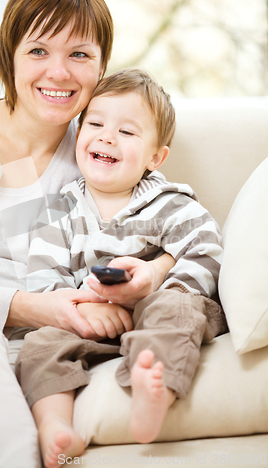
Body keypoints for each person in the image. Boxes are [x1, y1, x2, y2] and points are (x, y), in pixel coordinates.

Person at [0, 0, 175, 468]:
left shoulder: (101, 148)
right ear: (9, 55)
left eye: (80, 55)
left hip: (28, 353)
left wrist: (142, 281)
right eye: (37, 50)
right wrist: (36, 308)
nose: (59, 72)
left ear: (101, 67)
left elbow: (162, 233)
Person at [15, 68, 227, 468]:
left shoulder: (169, 202)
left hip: (159, 306)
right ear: (79, 135)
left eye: (127, 132)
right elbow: (43, 280)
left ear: (155, 156)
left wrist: (163, 288)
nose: (107, 137)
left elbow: (208, 250)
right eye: (94, 124)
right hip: (89, 322)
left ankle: (155, 392)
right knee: (41, 343)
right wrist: (83, 310)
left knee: (176, 311)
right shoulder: (58, 212)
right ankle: (55, 426)